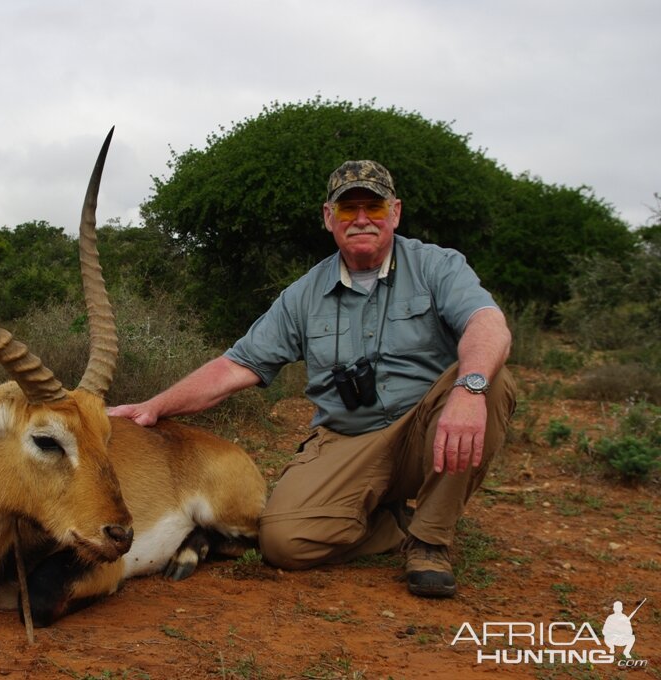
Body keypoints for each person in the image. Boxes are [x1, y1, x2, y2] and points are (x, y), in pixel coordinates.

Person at [109, 160, 516, 598]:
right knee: (282, 541)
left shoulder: (437, 266)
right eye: (347, 209)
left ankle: (429, 540)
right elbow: (234, 367)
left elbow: (488, 324)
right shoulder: (304, 294)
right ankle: (392, 523)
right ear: (329, 218)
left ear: (395, 212)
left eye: (374, 207)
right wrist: (154, 406)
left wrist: (469, 389)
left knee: (488, 382)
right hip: (348, 439)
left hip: (426, 430)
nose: (361, 219)